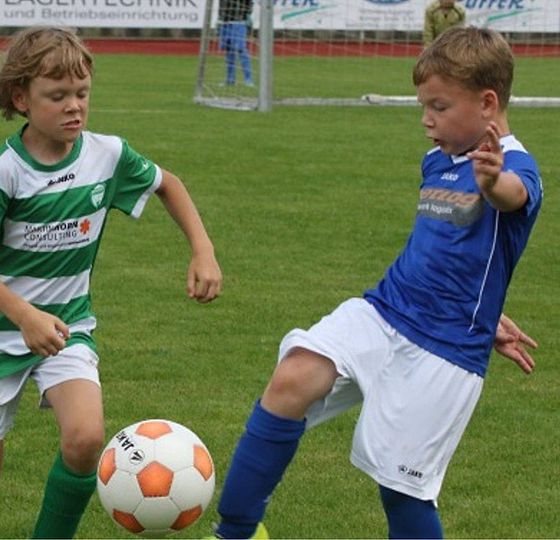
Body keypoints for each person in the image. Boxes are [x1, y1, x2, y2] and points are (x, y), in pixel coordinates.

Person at [214, 27, 542, 539]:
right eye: (423, 106)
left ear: (487, 103)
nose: (425, 119)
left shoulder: (514, 167)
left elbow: (512, 196)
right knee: (292, 378)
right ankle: (235, 532)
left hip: (445, 349)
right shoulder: (436, 159)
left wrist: (491, 181)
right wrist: (486, 306)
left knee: (401, 489)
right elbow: (443, 248)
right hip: (385, 309)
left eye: (438, 106)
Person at [0, 26, 222, 539]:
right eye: (57, 96)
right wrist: (25, 316)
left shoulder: (107, 156)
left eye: (81, 94)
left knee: (85, 439)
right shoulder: (4, 173)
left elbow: (167, 183)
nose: (73, 107)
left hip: (68, 327)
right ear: (22, 98)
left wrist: (203, 249)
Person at [218, 0, 254, 87]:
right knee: (229, 51)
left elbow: (249, 4)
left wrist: (247, 15)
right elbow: (221, 5)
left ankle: (248, 80)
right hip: (225, 23)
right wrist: (219, 19)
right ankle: (230, 79)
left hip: (239, 22)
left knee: (241, 50)